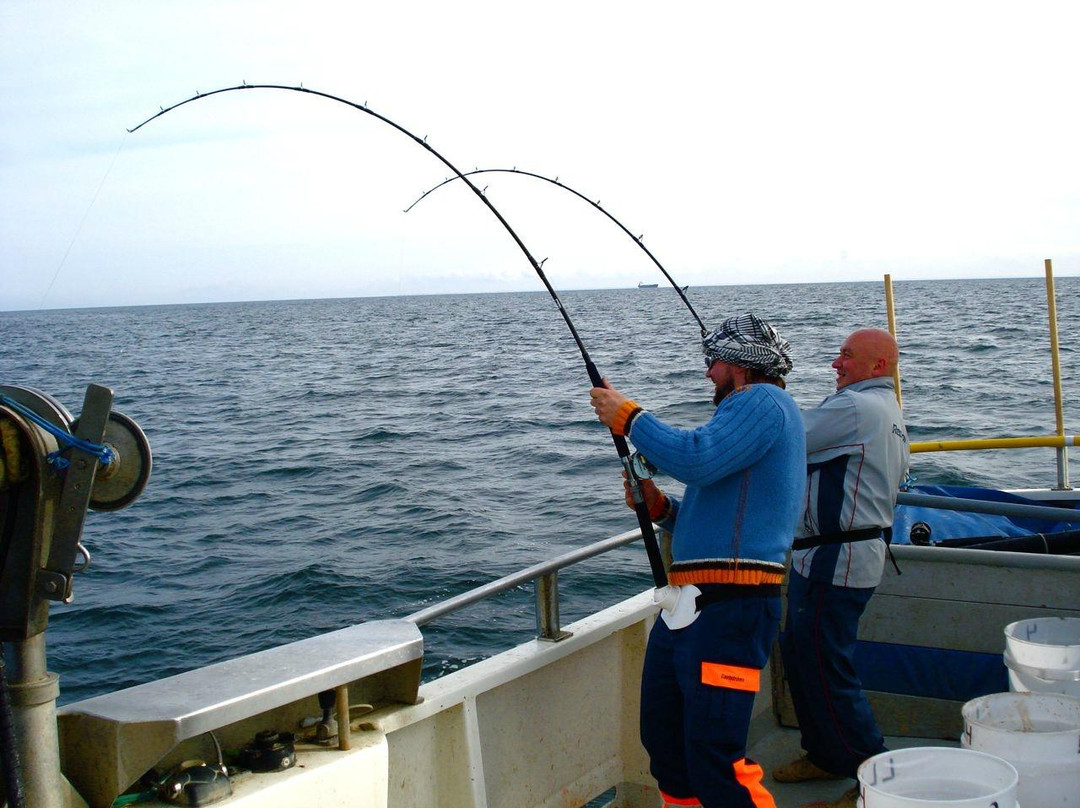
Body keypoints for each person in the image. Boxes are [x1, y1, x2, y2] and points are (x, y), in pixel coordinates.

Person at [589, 313, 806, 808]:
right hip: (689, 606)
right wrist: (660, 507)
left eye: (715, 362)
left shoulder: (763, 401)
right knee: (666, 742)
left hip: (732, 606)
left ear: (742, 365)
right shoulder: (745, 412)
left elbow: (697, 458)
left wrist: (629, 417)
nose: (708, 372)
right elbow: (719, 510)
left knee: (714, 753)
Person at [773, 328, 909, 808]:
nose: (836, 363)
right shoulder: (887, 411)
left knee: (828, 669)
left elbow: (788, 438)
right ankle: (827, 755)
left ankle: (875, 782)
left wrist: (764, 391)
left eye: (847, 356)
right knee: (803, 657)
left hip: (838, 560)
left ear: (878, 367)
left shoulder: (856, 408)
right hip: (834, 556)